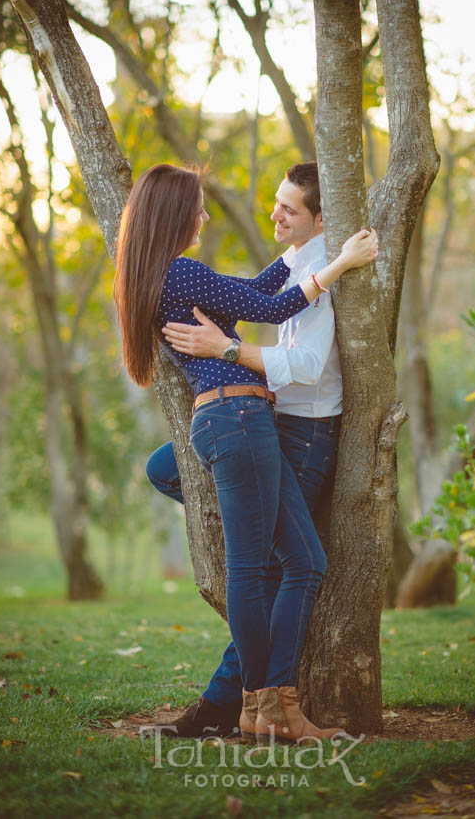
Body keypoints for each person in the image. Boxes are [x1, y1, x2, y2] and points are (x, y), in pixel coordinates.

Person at [115, 163, 377, 744]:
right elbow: (277, 310)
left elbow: (258, 292)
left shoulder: (166, 276)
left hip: (236, 419)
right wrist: (339, 264)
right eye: (198, 209)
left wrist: (306, 254)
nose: (205, 216)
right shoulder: (181, 272)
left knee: (304, 562)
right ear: (174, 217)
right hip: (238, 418)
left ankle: (268, 708)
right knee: (253, 571)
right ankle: (264, 708)